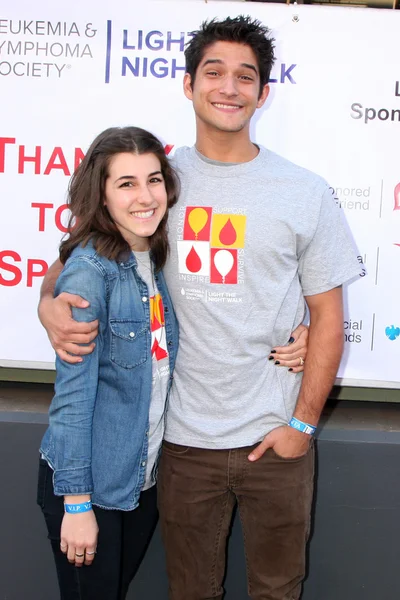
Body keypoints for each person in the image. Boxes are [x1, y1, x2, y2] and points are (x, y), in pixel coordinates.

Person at [36, 14, 360, 600]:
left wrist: (302, 427)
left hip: (276, 439)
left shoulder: (304, 191)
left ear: (264, 93)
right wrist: (46, 301)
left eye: (245, 76)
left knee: (278, 590)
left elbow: (330, 315)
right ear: (188, 85)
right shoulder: (158, 180)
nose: (228, 88)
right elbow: (85, 251)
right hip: (181, 446)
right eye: (214, 72)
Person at [36, 126, 179, 600]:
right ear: (101, 194)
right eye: (126, 183)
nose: (145, 196)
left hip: (139, 478)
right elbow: (72, 398)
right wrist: (76, 504)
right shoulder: (91, 271)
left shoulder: (151, 258)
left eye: (153, 180)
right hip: (89, 487)